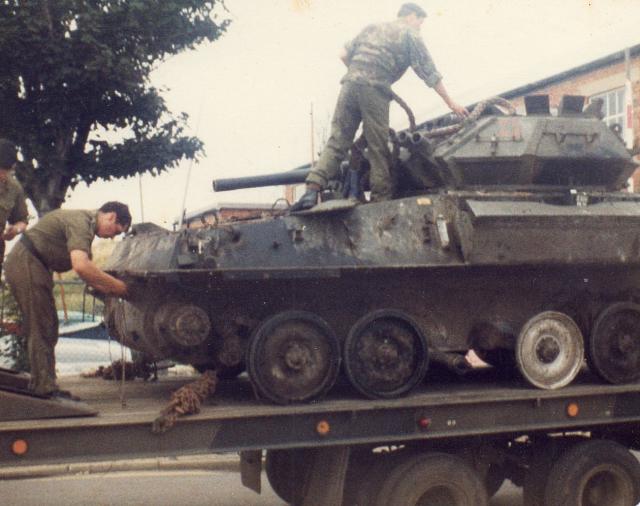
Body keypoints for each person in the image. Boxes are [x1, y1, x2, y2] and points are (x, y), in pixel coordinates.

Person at [291, 2, 469, 211]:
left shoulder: (372, 27)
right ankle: (380, 199)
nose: (420, 27)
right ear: (411, 17)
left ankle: (312, 190)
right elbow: (430, 73)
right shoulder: (410, 34)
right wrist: (451, 103)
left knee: (337, 140)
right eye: (420, 22)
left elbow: (343, 54)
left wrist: (360, 74)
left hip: (349, 85)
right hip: (374, 91)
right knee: (378, 146)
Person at [4, 202, 131, 399]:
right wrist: (120, 288)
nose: (113, 236)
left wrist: (105, 288)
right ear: (111, 217)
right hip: (28, 262)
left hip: (35, 264)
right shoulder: (81, 222)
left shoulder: (85, 225)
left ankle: (45, 383)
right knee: (42, 325)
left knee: (48, 325)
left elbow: (88, 271)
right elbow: (81, 266)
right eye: (116, 230)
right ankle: (44, 387)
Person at [0, 139, 29, 274]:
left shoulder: (14, 188)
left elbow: (22, 220)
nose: (2, 175)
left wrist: (15, 230)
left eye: (6, 171)